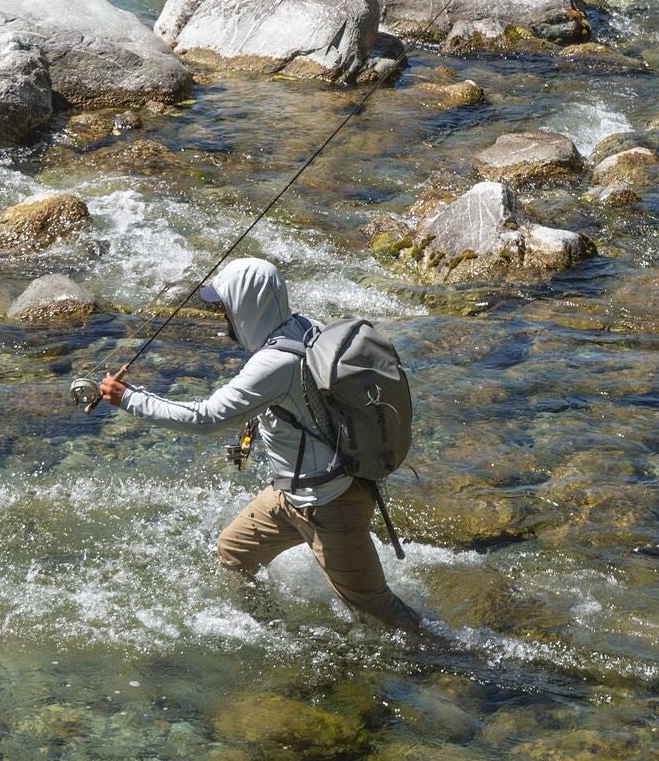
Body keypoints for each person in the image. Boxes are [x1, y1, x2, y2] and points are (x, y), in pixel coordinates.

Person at [101, 256, 423, 632]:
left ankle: (457, 662)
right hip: (290, 496)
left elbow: (206, 418)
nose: (223, 317)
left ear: (244, 306)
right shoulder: (304, 328)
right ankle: (278, 633)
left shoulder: (273, 364)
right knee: (234, 554)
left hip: (330, 506)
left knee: (380, 616)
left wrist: (129, 398)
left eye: (225, 307)